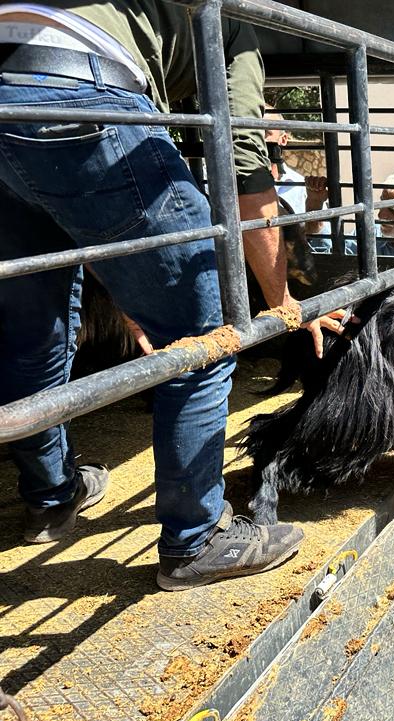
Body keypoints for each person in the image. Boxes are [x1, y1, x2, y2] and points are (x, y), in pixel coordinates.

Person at [0, 1, 339, 590]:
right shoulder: (229, 20)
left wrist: (135, 291)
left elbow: (95, 224)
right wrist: (287, 305)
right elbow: (242, 164)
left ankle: (52, 498)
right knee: (202, 332)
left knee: (34, 335)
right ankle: (197, 539)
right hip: (85, 91)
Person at [264, 107, 331, 246]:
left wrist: (314, 206)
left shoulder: (300, 187)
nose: (256, 141)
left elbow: (321, 243)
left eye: (265, 133)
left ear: (283, 139)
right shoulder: (217, 185)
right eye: (251, 134)